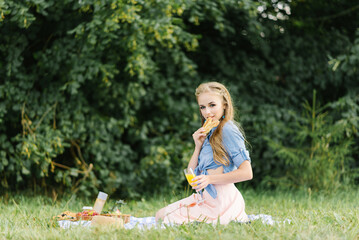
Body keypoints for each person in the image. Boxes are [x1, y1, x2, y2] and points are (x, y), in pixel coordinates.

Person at [155, 82, 253, 225]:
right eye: (202, 107)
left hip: (222, 202)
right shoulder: (209, 132)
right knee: (160, 215)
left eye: (212, 105)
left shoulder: (227, 130)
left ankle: (226, 217)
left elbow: (247, 173)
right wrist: (197, 147)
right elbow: (191, 177)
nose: (207, 112)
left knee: (168, 220)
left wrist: (209, 180)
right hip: (205, 198)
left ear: (224, 104)